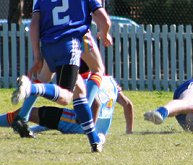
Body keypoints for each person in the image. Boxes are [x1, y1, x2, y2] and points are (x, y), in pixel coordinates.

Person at [10, 0, 112, 152]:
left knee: (79, 90)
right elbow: (104, 20)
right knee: (66, 97)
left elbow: (33, 26)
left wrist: (37, 56)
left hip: (48, 46)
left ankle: (94, 141)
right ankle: (31, 89)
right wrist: (104, 35)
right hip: (70, 44)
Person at [0, 73, 134, 149]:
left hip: (82, 124)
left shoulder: (88, 79)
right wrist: (129, 131)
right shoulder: (111, 82)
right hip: (97, 129)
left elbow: (96, 103)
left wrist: (88, 128)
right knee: (34, 115)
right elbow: (128, 105)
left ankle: (31, 90)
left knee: (31, 113)